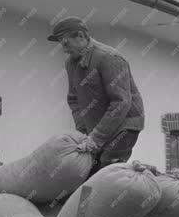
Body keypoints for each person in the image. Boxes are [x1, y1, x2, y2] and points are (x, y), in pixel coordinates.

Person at [48, 16, 145, 177]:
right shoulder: (70, 64)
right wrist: (83, 133)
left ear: (80, 36)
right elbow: (74, 100)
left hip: (125, 125)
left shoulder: (109, 58)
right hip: (97, 128)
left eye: (65, 42)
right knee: (87, 171)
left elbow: (121, 102)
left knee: (106, 170)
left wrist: (96, 138)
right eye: (60, 43)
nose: (63, 48)